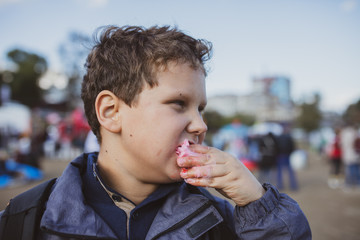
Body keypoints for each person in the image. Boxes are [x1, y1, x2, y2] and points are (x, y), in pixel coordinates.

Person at [0, 25, 311, 239]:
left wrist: (259, 206)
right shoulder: (25, 221)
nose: (201, 125)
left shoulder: (220, 220)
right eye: (178, 104)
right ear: (111, 112)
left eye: (200, 108)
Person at [276, 125, 298, 191]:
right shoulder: (289, 137)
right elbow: (293, 146)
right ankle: (293, 186)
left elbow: (276, 147)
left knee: (279, 172)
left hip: (280, 155)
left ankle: (280, 186)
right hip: (287, 155)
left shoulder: (278, 137)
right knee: (290, 171)